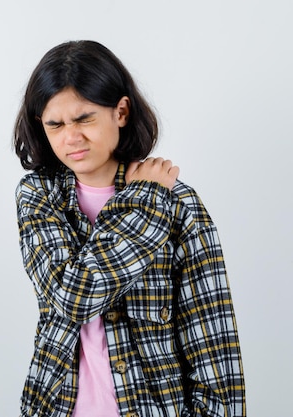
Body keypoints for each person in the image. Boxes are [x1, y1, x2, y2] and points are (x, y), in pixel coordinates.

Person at [13, 40, 245, 417]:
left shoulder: (179, 204)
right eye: (55, 124)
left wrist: (154, 199)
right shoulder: (39, 195)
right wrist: (144, 202)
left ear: (120, 111)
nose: (71, 137)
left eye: (85, 118)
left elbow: (214, 347)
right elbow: (75, 296)